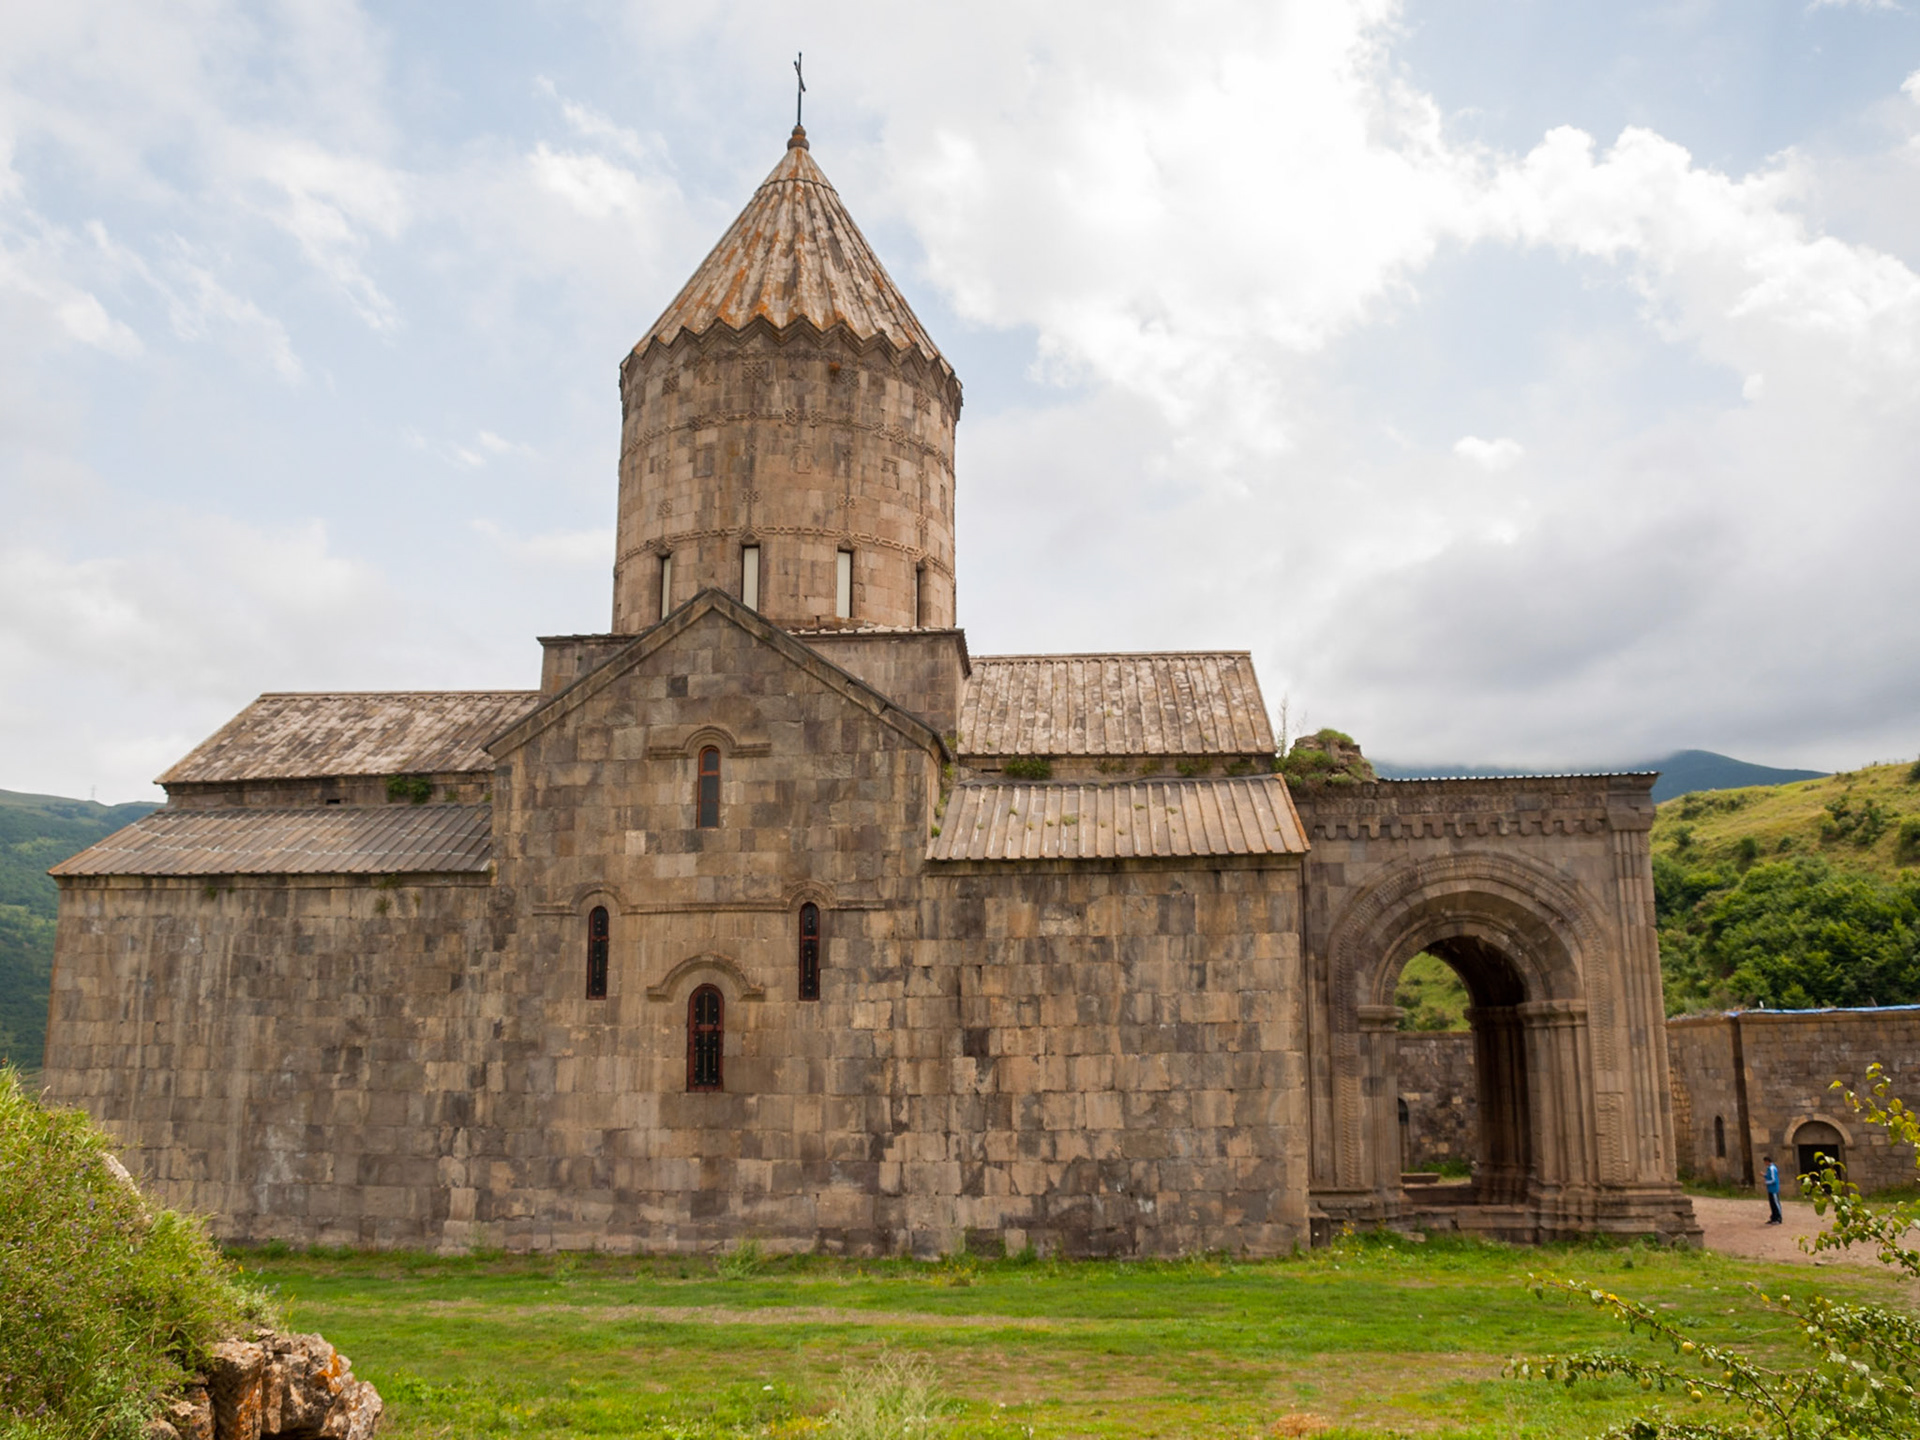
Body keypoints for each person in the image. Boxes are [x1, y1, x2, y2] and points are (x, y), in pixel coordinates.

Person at [1764, 1155, 1782, 1224]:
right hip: (1770, 1189)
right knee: (1772, 1204)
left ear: (1767, 1161)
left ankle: (1778, 1218)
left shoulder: (1772, 1169)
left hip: (1774, 1189)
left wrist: (1767, 1182)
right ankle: (1773, 1218)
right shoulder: (1769, 1168)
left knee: (1776, 1203)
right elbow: (1769, 1177)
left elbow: (1774, 1180)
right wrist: (1764, 1175)